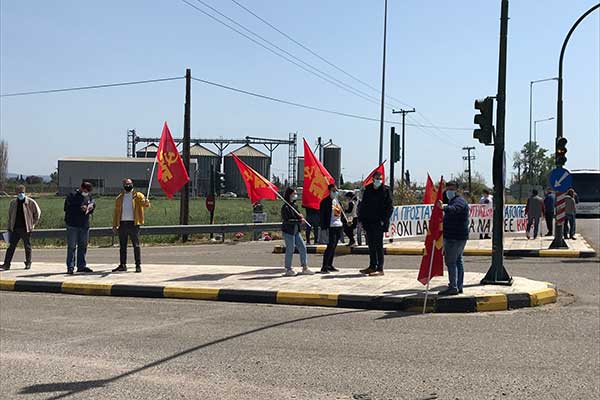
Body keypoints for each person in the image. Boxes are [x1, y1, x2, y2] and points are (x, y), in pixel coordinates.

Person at [436, 181, 469, 296]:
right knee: (458, 261)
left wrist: (443, 208)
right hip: (458, 236)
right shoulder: (453, 200)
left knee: (451, 262)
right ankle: (458, 286)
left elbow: (454, 209)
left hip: (454, 237)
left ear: (457, 190)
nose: (449, 191)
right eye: (448, 189)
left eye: (452, 189)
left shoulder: (459, 201)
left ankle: (453, 287)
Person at [358, 171, 394, 276]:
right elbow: (363, 205)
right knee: (371, 244)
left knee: (378, 245)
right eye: (377, 178)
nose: (379, 180)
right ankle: (372, 266)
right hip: (368, 221)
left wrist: (384, 220)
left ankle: (380, 268)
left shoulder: (386, 190)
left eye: (380, 178)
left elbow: (390, 207)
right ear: (373, 179)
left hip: (379, 222)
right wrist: (361, 219)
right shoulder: (368, 189)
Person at [112, 179, 150, 273]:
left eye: (129, 184)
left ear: (132, 184)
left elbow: (145, 205)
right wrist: (114, 225)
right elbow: (116, 213)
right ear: (123, 185)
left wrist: (146, 202)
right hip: (122, 224)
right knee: (122, 246)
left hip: (134, 224)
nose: (128, 186)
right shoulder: (119, 198)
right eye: (126, 184)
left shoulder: (138, 195)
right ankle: (122, 265)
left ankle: (138, 265)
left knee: (136, 245)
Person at [1, 185, 41, 270]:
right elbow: (10, 216)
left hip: (26, 228)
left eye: (22, 192)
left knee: (27, 246)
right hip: (15, 228)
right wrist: (9, 227)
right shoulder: (13, 203)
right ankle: (6, 264)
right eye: (19, 192)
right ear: (16, 193)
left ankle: (28, 263)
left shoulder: (30, 202)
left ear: (25, 192)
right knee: (11, 247)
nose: (20, 194)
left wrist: (32, 224)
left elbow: (37, 214)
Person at [281, 187, 314, 276]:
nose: (295, 195)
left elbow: (298, 216)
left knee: (303, 247)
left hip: (296, 231)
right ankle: (288, 269)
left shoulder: (294, 206)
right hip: (288, 231)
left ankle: (305, 267)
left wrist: (300, 217)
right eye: (294, 194)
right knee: (290, 249)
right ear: (289, 195)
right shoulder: (285, 207)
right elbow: (287, 220)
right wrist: (299, 221)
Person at [64, 182, 95, 274]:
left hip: (84, 225)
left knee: (83, 246)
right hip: (72, 224)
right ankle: (70, 267)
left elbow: (92, 203)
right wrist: (79, 208)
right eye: (86, 190)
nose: (87, 192)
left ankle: (81, 266)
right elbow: (66, 208)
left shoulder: (89, 196)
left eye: (88, 191)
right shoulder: (72, 195)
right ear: (81, 188)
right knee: (72, 246)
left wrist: (91, 208)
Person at [319, 184, 343, 273]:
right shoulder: (325, 202)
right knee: (330, 246)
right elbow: (322, 215)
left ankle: (330, 265)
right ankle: (324, 266)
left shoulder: (337, 201)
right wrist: (324, 227)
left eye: (336, 190)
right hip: (330, 226)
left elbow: (340, 214)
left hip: (338, 225)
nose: (335, 192)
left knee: (334, 247)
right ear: (329, 191)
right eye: (333, 191)